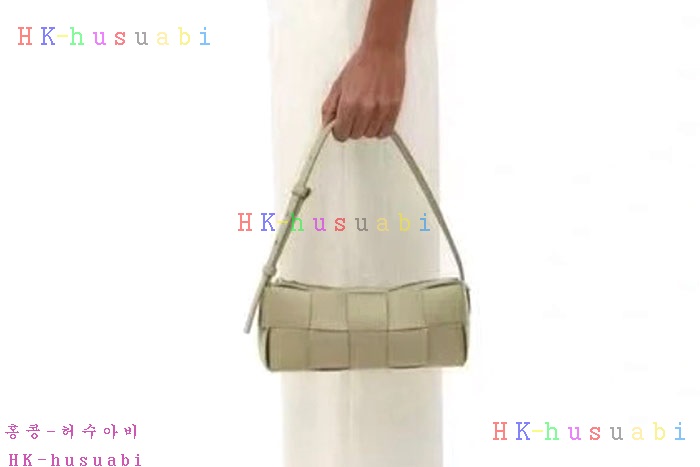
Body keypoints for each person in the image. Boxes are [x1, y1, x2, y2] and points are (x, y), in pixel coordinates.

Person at [267, 1, 443, 466]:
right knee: (324, 349)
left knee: (376, 352)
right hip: (320, 33)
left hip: (352, 32)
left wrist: (383, 41)